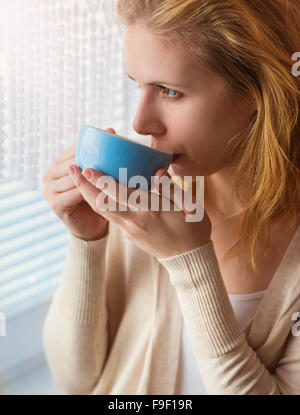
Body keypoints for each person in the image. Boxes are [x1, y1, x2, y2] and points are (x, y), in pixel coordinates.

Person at [42, 0, 300, 394]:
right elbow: (75, 380)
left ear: (257, 93)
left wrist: (190, 262)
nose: (140, 122)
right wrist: (87, 242)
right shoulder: (144, 197)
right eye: (139, 86)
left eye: (169, 91)